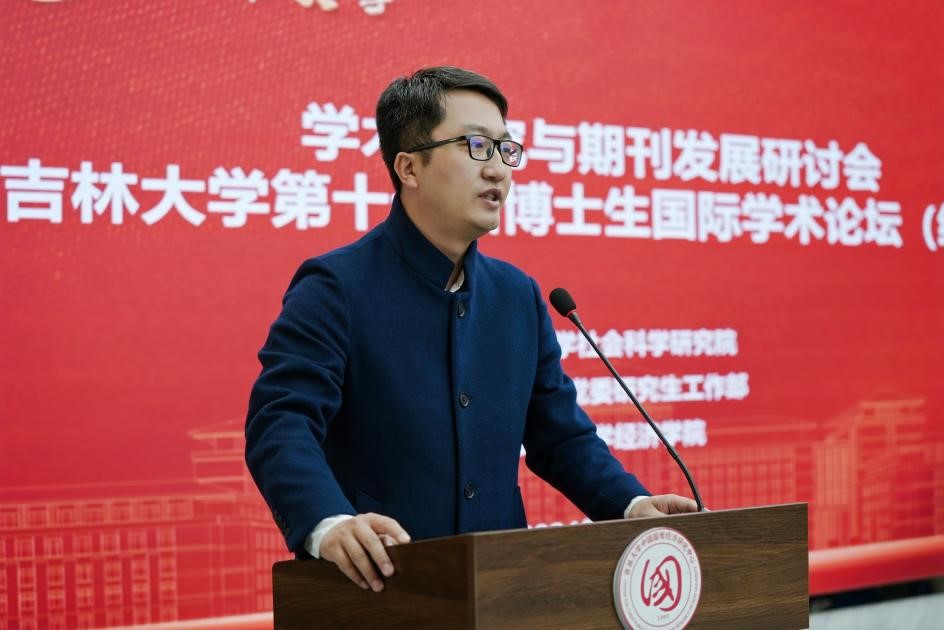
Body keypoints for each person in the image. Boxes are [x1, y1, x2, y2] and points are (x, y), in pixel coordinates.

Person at [245, 66, 697, 593]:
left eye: (506, 149)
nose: (499, 170)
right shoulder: (336, 287)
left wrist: (630, 504)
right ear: (409, 168)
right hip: (379, 588)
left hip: (502, 591)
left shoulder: (518, 295)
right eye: (477, 146)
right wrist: (329, 523)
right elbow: (282, 422)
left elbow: (560, 438)